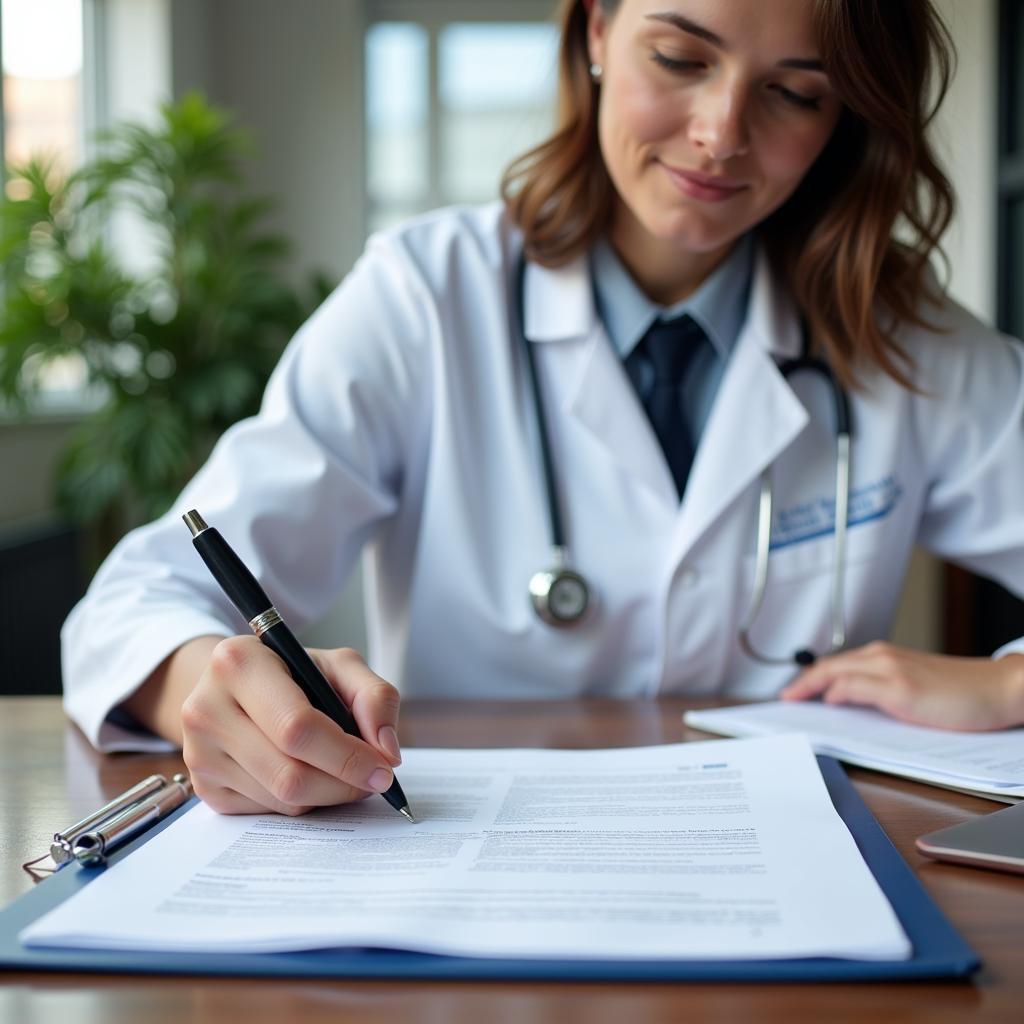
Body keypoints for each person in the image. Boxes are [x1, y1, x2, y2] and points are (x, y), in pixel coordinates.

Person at [63, 0, 1024, 816]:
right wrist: (212, 688)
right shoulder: (426, 298)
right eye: (680, 57)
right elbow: (131, 604)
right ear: (597, 30)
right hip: (473, 866)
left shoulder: (905, 339)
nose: (722, 132)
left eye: (796, 92)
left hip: (794, 858)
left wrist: (1008, 680)